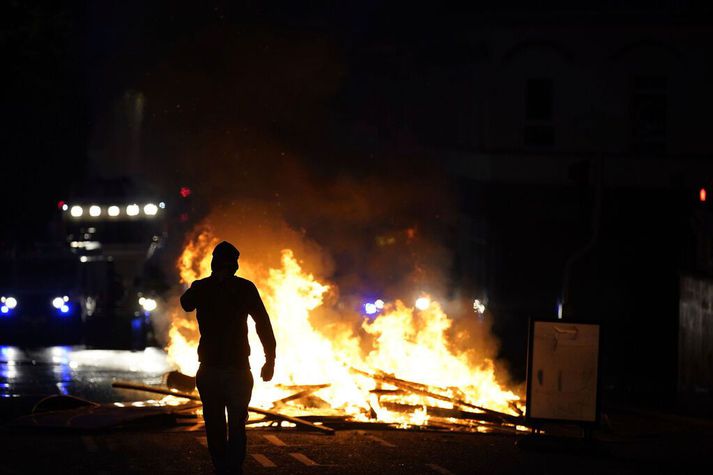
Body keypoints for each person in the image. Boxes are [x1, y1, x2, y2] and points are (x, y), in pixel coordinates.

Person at [180, 241, 276, 475]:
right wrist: (269, 358)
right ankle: (231, 468)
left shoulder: (206, 287)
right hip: (234, 370)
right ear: (235, 265)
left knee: (217, 425)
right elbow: (263, 323)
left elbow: (186, 303)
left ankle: (225, 468)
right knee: (235, 425)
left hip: (216, 370)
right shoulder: (243, 288)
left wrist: (210, 283)